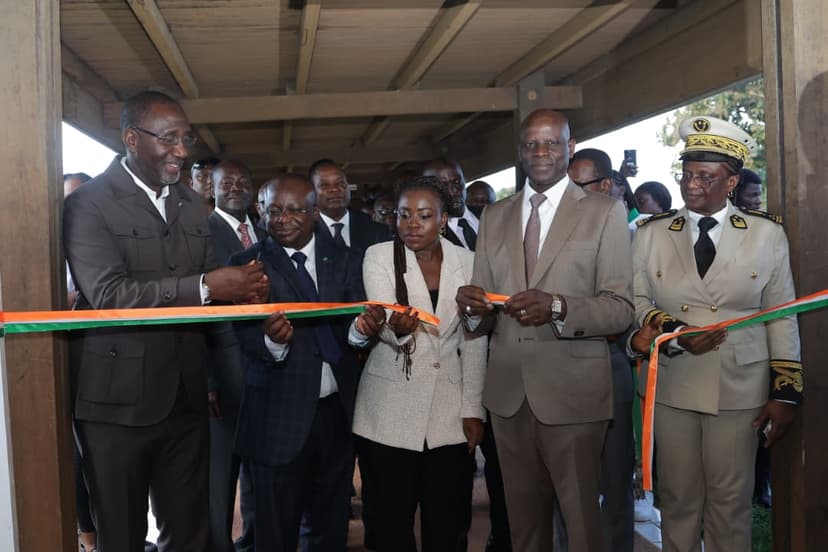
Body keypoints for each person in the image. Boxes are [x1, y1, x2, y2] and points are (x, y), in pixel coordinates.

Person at [63, 90, 269, 552]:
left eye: (185, 138)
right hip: (115, 407)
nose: (180, 150)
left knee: (189, 531)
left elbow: (209, 297)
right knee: (122, 535)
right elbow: (109, 295)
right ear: (132, 140)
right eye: (168, 138)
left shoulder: (192, 206)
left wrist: (245, 294)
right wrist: (209, 287)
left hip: (185, 398)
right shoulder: (89, 204)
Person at [456, 108, 634, 552]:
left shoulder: (604, 212)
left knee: (580, 527)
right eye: (531, 144)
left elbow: (620, 309)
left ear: (569, 148)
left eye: (552, 142)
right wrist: (474, 310)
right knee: (524, 528)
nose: (541, 152)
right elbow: (484, 313)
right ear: (520, 151)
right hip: (509, 397)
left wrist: (557, 307)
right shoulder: (495, 215)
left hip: (573, 395)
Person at [630, 116, 802, 551]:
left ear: (732, 181)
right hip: (674, 382)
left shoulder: (766, 234)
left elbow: (781, 314)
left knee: (731, 503)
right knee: (678, 500)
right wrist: (673, 331)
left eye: (705, 176)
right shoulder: (651, 234)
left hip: (739, 386)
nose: (691, 185)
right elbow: (635, 301)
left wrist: (785, 393)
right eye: (686, 174)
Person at [228, 174, 386, 552]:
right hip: (276, 419)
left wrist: (362, 331)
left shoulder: (346, 259)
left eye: (293, 210)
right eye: (273, 210)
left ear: (315, 212)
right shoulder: (246, 265)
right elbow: (242, 335)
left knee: (329, 527)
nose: (282, 219)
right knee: (273, 533)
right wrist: (271, 340)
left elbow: (354, 325)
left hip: (336, 416)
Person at [353, 176, 487, 551]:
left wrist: (473, 409)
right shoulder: (379, 256)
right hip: (388, 411)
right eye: (404, 214)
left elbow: (474, 339)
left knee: (448, 525)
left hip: (449, 413)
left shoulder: (469, 261)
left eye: (424, 216)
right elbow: (384, 321)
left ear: (443, 219)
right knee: (388, 525)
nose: (412, 223)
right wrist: (397, 330)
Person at [567, 147, 636, 552]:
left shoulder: (633, 236)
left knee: (614, 480)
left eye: (579, 187)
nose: (570, 197)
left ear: (605, 186)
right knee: (566, 485)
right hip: (560, 370)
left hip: (610, 366)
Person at [206, 159, 265, 552]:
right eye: (227, 182)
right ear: (211, 188)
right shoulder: (201, 232)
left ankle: (254, 543)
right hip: (222, 376)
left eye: (243, 181)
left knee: (259, 471)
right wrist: (208, 381)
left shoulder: (264, 231)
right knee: (221, 474)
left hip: (266, 368)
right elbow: (198, 311)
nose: (236, 187)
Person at [309, 158, 391, 256]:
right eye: (325, 185)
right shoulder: (304, 233)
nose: (335, 189)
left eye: (340, 183)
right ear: (312, 192)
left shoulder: (377, 231)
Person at [422, 159, 479, 251]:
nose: (453, 192)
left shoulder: (491, 214)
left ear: (464, 180)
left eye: (456, 182)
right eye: (443, 186)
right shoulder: (428, 238)